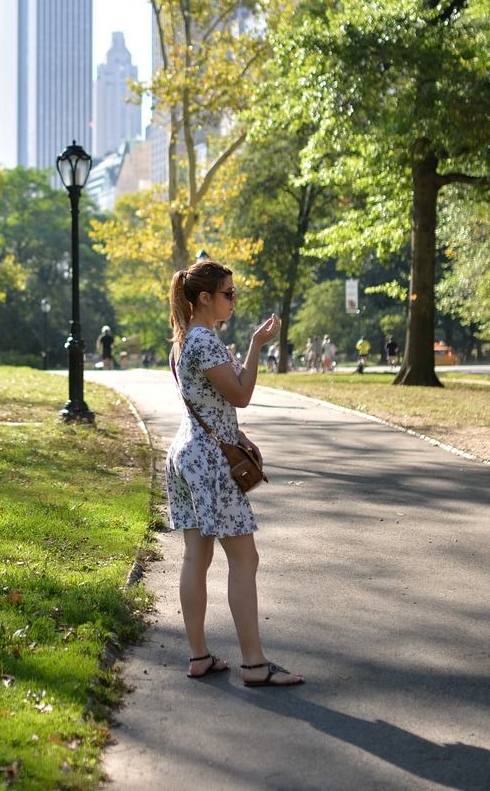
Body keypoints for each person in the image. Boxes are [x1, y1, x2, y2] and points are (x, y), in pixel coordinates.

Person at [166, 260, 304, 687]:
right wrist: (256, 344)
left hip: (185, 454)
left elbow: (207, 401)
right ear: (204, 298)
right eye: (228, 293)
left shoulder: (183, 340)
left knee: (196, 557)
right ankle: (254, 665)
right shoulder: (205, 341)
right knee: (245, 559)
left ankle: (199, 656)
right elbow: (241, 394)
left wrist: (237, 435)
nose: (233, 300)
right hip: (208, 463)